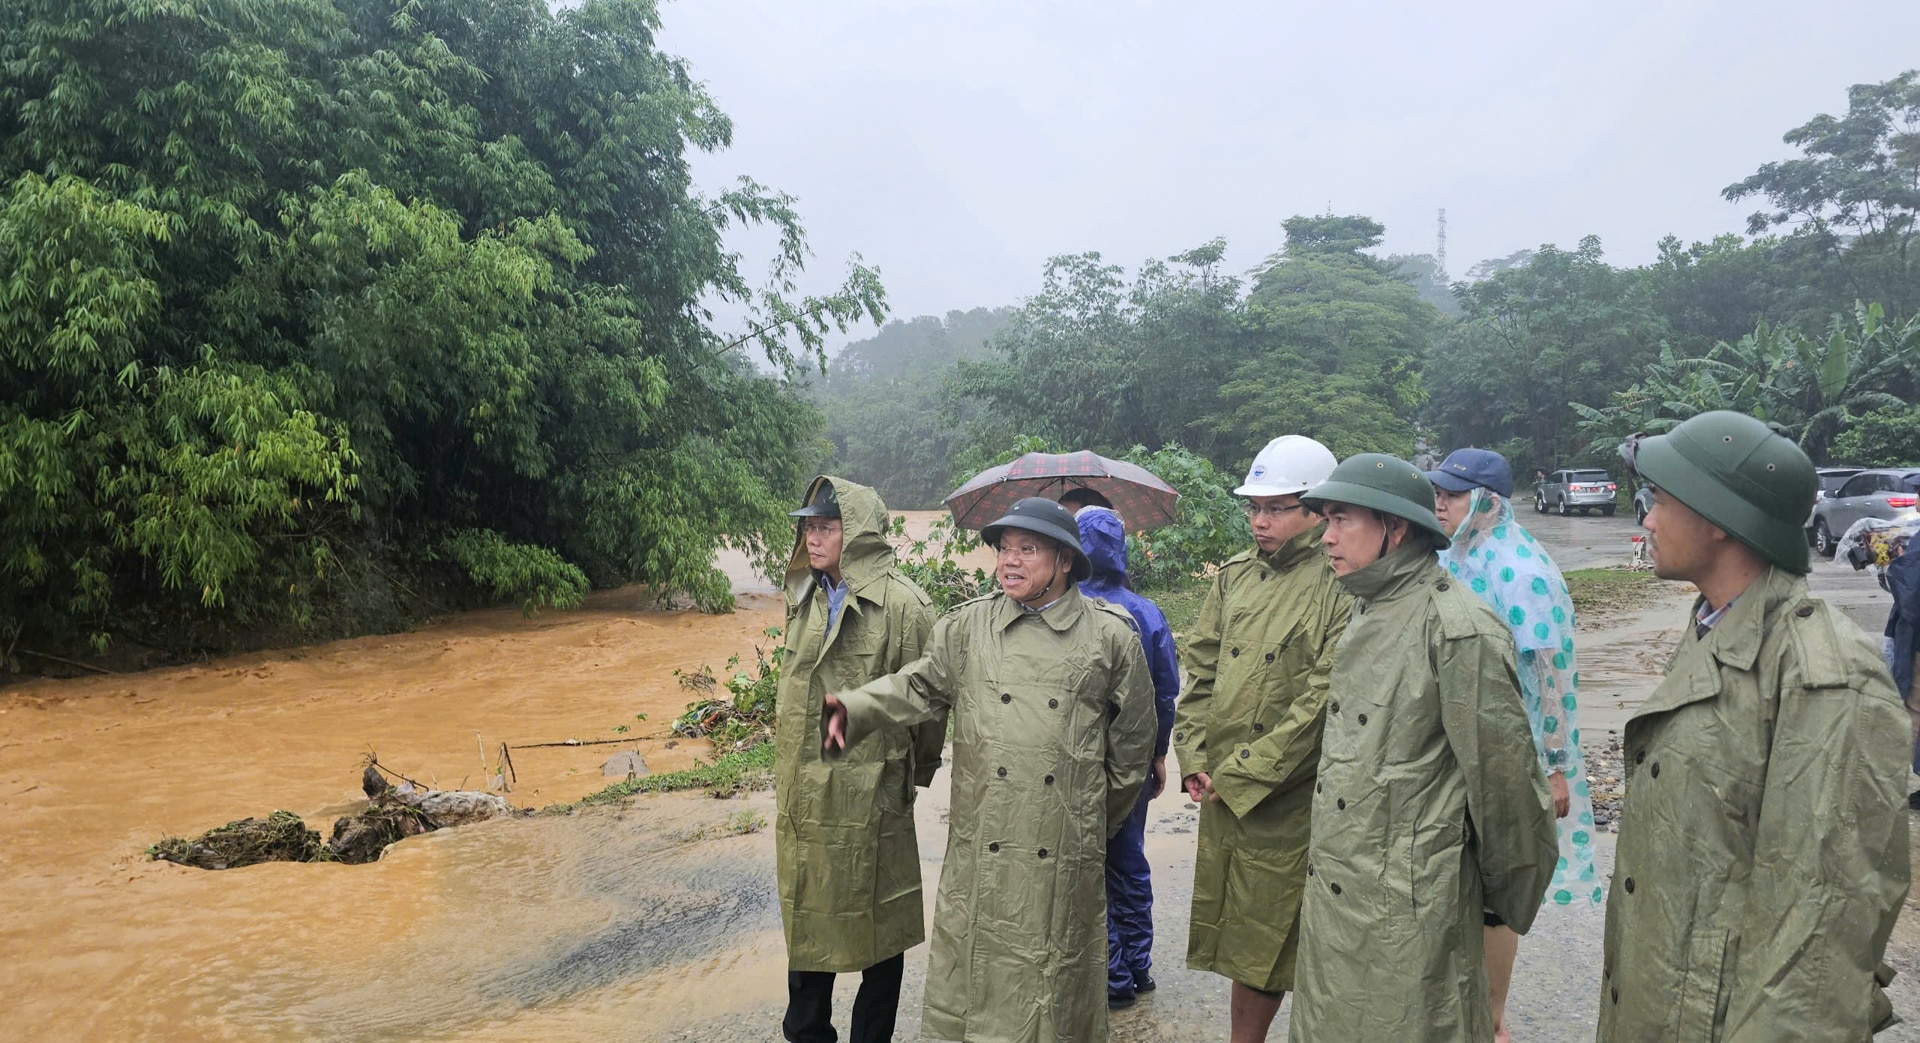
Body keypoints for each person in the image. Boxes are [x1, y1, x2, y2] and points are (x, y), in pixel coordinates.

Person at [1600, 412, 1910, 1039]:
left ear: (1718, 517)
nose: (1647, 520)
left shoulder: (1823, 674)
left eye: (1659, 501)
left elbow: (1817, 929)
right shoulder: (1716, 626)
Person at [821, 496, 1156, 1043]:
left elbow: (1133, 746)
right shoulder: (968, 627)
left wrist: (1086, 821)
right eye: (1004, 548)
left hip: (1058, 853)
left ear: (1065, 561)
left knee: (1053, 995)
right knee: (971, 993)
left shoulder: (1109, 636)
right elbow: (920, 686)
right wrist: (854, 709)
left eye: (1028, 549)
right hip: (984, 844)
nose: (1010, 561)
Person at [1289, 453, 1557, 1042]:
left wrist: (1493, 904)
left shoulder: (1457, 627)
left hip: (1410, 906)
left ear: (1396, 527)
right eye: (1324, 520)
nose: (1326, 537)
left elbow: (1507, 786)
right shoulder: (1366, 604)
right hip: (1341, 888)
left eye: (1340, 520)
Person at [1170, 434, 1349, 1041]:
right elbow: (1200, 672)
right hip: (1223, 789)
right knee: (1245, 935)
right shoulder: (1234, 578)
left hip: (1295, 796)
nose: (1260, 521)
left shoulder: (1340, 582)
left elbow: (1320, 703)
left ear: (1317, 509)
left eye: (1275, 508)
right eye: (1254, 507)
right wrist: (1194, 756)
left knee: (1302, 933)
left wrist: (1240, 773)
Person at [1427, 448, 1598, 1043]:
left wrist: (1552, 768)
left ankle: (1491, 1019)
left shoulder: (1523, 570)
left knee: (1497, 889)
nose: (1440, 503)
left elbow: (1551, 676)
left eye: (1452, 494)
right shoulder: (1454, 554)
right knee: (1456, 873)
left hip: (1512, 752)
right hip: (1459, 746)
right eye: (1437, 493)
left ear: (1488, 501)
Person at [773, 477, 944, 1043]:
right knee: (808, 914)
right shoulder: (806, 597)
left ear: (861, 533)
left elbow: (928, 707)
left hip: (872, 797)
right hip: (804, 796)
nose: (813, 538)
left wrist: (908, 779)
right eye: (809, 527)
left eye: (826, 527)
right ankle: (808, 1033)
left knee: (882, 924)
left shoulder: (905, 606)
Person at [1071, 505, 1180, 1011]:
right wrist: (1158, 754)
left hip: (1082, 759)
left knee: (1087, 865)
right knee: (1129, 859)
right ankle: (1138, 966)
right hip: (1133, 761)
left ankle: (1111, 975)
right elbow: (1163, 693)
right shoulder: (1148, 612)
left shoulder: (1067, 611)